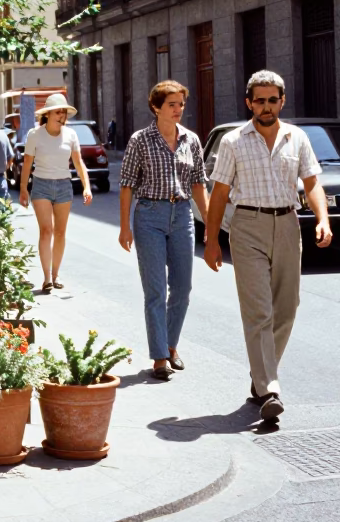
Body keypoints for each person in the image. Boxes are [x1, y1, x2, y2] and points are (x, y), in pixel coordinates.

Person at [204, 71, 332, 423]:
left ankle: (259, 377)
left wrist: (322, 219)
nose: (265, 106)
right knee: (259, 311)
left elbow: (311, 184)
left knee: (287, 308)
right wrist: (212, 240)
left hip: (288, 224)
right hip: (247, 225)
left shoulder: (297, 138)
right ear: (249, 103)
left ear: (282, 101)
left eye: (271, 99)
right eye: (258, 100)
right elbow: (220, 194)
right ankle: (270, 388)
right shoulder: (232, 142)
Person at [118, 81, 209, 381]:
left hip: (182, 215)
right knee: (155, 290)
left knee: (182, 288)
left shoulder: (191, 140)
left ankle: (171, 346)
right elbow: (127, 184)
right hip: (149, 216)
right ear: (156, 107)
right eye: (172, 104)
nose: (178, 109)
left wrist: (209, 224)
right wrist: (124, 227)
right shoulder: (140, 140)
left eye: (181, 104)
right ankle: (159, 357)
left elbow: (198, 184)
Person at [18, 93, 91, 292]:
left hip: (63, 185)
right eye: (58, 112)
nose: (62, 115)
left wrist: (86, 186)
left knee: (60, 232)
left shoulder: (71, 134)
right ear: (48, 114)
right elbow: (27, 163)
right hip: (41, 184)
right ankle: (46, 277)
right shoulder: (35, 134)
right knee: (46, 230)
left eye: (64, 112)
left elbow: (78, 162)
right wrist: (24, 188)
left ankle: (56, 274)